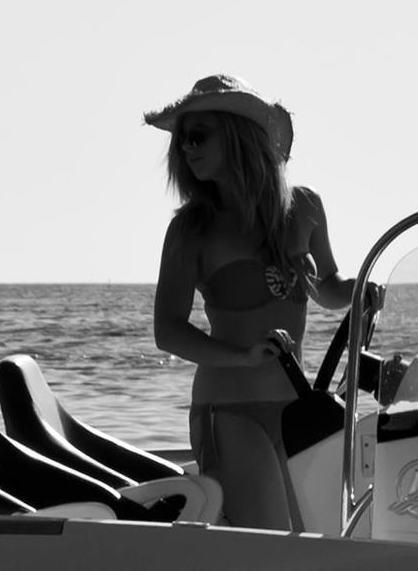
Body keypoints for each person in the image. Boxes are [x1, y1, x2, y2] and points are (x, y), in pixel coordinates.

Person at [146, 75, 354, 531]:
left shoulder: (305, 207)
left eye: (198, 135)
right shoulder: (191, 230)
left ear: (237, 135)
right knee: (275, 541)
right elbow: (168, 331)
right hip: (228, 412)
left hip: (296, 410)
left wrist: (360, 293)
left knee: (317, 538)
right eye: (182, 140)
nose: (186, 148)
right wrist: (242, 356)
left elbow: (326, 286)